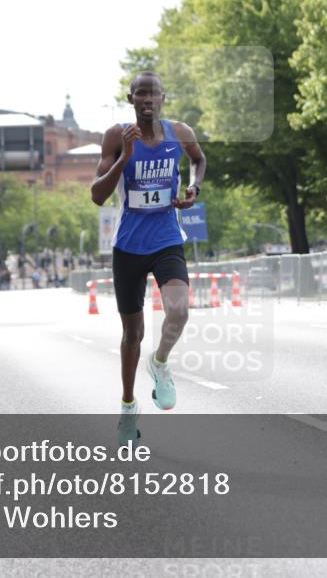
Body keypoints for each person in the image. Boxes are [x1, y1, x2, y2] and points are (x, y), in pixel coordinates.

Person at [91, 71, 206, 446]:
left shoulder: (180, 133)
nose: (147, 99)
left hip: (167, 239)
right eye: (140, 93)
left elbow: (199, 160)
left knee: (180, 310)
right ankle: (128, 406)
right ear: (131, 98)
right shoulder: (115, 135)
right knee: (132, 333)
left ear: (162, 99)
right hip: (128, 246)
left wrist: (193, 187)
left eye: (153, 94)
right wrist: (125, 156)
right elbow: (96, 195)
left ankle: (160, 363)